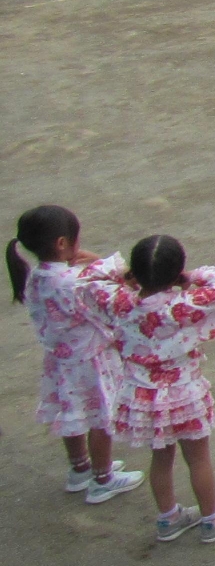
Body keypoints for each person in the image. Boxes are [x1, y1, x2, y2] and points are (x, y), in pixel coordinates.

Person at [81, 234, 215, 543]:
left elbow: (89, 279)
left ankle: (168, 518)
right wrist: (192, 277)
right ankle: (212, 519)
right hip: (184, 393)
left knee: (161, 458)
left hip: (143, 395)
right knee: (198, 458)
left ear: (136, 272)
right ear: (176, 273)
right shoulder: (181, 306)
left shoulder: (120, 303)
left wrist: (123, 274)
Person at [7, 205, 141, 503]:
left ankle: (80, 468)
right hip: (91, 360)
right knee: (102, 417)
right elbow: (111, 300)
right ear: (62, 243)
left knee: (73, 414)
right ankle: (103, 479)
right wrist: (99, 261)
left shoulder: (36, 277)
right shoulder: (73, 282)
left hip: (62, 360)